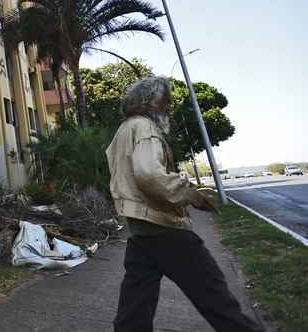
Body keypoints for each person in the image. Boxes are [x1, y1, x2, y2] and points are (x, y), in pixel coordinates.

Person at [106, 76, 263, 332]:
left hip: (141, 232)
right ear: (153, 102)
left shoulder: (124, 129)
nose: (168, 107)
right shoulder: (145, 128)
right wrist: (190, 194)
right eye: (166, 102)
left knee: (133, 315)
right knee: (217, 300)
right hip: (165, 230)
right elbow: (148, 175)